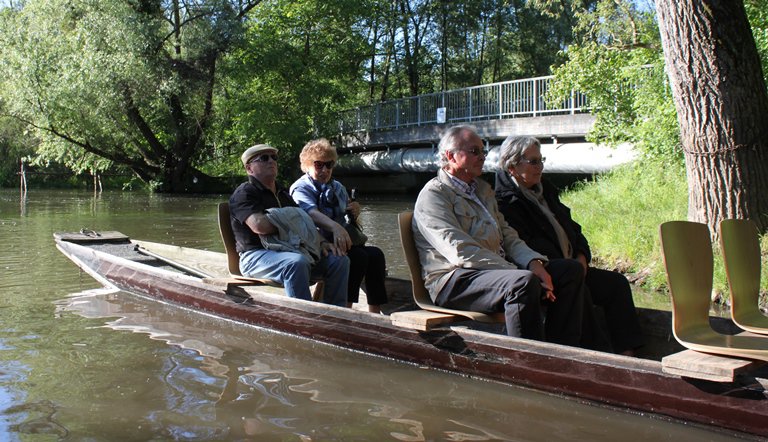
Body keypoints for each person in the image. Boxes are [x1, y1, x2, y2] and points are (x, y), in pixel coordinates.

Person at [412, 125, 587, 345]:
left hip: (496, 273)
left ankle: (562, 349)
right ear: (451, 156)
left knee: (570, 271)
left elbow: (508, 235)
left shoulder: (483, 191)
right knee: (522, 283)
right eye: (475, 151)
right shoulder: (433, 196)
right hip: (453, 280)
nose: (482, 157)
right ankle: (527, 360)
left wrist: (534, 264)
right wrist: (518, 271)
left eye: (483, 152)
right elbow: (461, 251)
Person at [494, 135, 644, 354]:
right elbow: (524, 245)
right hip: (546, 274)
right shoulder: (505, 201)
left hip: (573, 266)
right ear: (512, 166)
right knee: (576, 283)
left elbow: (574, 229)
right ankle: (594, 352)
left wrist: (582, 256)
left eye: (541, 160)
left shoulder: (546, 190)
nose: (540, 167)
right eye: (533, 162)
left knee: (616, 284)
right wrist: (570, 266)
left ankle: (628, 351)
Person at [228, 143, 349, 306]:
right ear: (249, 168)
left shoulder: (283, 193)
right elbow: (260, 226)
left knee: (339, 260)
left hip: (291, 250)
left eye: (274, 157)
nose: (271, 161)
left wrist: (322, 243)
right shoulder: (244, 193)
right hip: (255, 256)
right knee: (296, 262)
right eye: (264, 158)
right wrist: (291, 220)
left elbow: (305, 223)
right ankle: (303, 318)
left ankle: (336, 315)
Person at [290, 138, 388, 313]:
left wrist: (355, 210)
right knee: (357, 257)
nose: (325, 170)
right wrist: (335, 227)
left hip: (341, 241)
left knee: (375, 255)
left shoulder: (337, 187)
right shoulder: (301, 188)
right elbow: (310, 213)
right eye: (319, 165)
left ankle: (375, 312)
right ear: (306, 165)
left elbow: (349, 219)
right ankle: (345, 311)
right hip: (316, 243)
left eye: (329, 165)